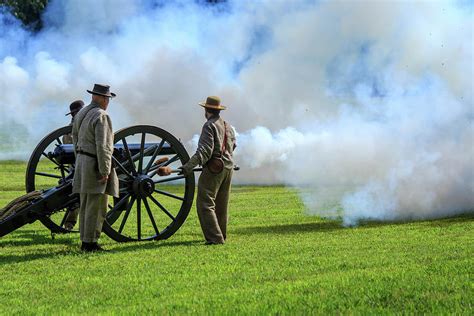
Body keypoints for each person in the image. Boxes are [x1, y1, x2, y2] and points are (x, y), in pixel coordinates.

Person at [162, 96, 236, 245]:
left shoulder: (209, 125)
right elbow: (233, 145)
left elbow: (204, 151)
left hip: (214, 169)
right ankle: (221, 235)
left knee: (205, 204)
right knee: (222, 205)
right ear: (218, 110)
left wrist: (187, 167)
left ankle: (215, 238)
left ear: (206, 110)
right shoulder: (227, 125)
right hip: (228, 168)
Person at [72, 84, 119, 252]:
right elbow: (104, 146)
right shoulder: (102, 115)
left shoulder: (82, 113)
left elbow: (75, 138)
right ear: (101, 98)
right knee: (97, 205)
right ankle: (90, 243)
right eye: (107, 98)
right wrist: (105, 170)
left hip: (82, 162)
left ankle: (85, 240)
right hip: (94, 164)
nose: (108, 102)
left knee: (85, 204)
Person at [62, 100, 84, 231]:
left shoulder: (67, 130)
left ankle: (69, 224)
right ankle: (70, 223)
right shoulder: (75, 130)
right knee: (76, 197)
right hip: (79, 167)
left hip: (74, 168)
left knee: (76, 197)